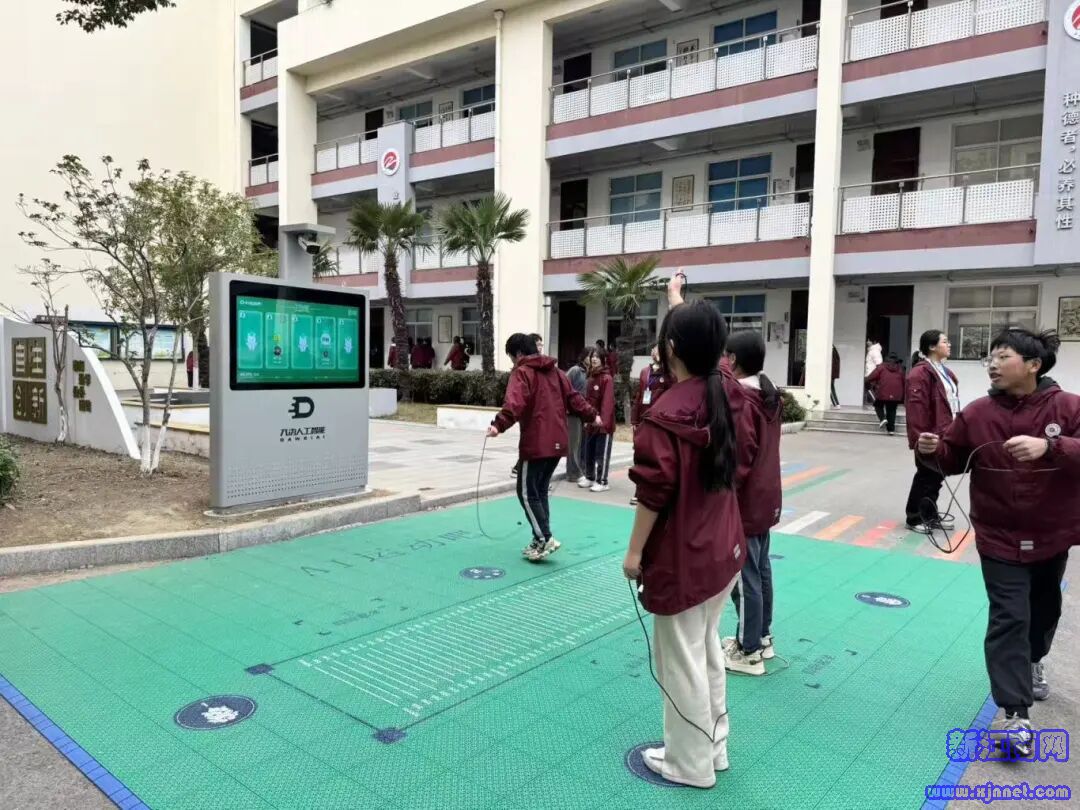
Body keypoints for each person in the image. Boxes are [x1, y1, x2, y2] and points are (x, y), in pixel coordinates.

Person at [917, 328, 1079, 756]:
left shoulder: (1068, 407)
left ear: (1033, 365)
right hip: (997, 535)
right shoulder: (977, 413)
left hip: (1051, 534)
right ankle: (1015, 714)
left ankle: (1034, 659)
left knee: (1043, 609)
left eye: (1003, 356)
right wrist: (931, 449)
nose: (992, 363)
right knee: (1009, 617)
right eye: (990, 357)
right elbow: (951, 459)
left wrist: (1051, 446)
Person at [623, 299, 744, 789]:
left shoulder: (666, 415)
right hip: (724, 549)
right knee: (706, 648)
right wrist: (681, 307)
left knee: (682, 662)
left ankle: (688, 764)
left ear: (670, 347)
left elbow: (652, 493)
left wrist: (634, 554)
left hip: (685, 557)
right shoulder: (729, 393)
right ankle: (713, 749)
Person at [487, 333, 600, 561]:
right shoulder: (556, 372)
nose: (513, 362)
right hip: (558, 442)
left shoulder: (522, 372)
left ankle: (545, 537)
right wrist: (592, 415)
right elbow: (574, 398)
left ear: (519, 353)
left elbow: (515, 403)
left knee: (526, 492)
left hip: (536, 443)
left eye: (512, 357)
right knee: (539, 491)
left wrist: (498, 425)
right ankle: (539, 538)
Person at [720, 330, 782, 677]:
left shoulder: (743, 400)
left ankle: (748, 650)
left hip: (746, 501)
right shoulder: (768, 394)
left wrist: (722, 493)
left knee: (745, 578)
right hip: (766, 497)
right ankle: (761, 636)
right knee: (761, 570)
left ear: (733, 360)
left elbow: (739, 457)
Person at [905, 330, 959, 533]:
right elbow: (916, 409)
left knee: (936, 477)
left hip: (946, 431)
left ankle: (929, 514)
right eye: (945, 341)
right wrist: (921, 437)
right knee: (926, 476)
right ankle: (914, 517)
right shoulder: (920, 373)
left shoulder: (944, 371)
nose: (949, 344)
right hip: (930, 435)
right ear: (932, 347)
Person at [629, 345, 670, 506]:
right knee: (640, 454)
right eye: (654, 350)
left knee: (654, 456)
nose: (655, 352)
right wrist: (634, 420)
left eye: (659, 350)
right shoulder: (645, 371)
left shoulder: (668, 373)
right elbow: (639, 396)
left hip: (658, 421)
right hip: (643, 419)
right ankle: (638, 490)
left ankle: (652, 491)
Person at [579, 346, 615, 493]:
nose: (594, 359)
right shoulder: (591, 376)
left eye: (597, 357)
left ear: (603, 360)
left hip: (602, 424)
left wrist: (603, 423)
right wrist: (587, 418)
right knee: (589, 451)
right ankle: (590, 477)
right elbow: (587, 401)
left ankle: (602, 481)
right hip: (591, 421)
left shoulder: (606, 378)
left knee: (601, 454)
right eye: (592, 356)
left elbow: (607, 403)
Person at [564, 350, 590, 483]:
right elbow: (564, 385)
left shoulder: (590, 372)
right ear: (583, 357)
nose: (592, 359)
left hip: (585, 413)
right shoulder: (575, 370)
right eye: (590, 356)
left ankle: (581, 469)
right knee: (573, 444)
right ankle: (573, 473)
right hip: (573, 413)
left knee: (581, 444)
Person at [867, 353, 906, 435]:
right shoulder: (900, 368)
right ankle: (891, 430)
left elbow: (871, 376)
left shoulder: (882, 366)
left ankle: (882, 418)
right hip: (896, 393)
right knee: (892, 410)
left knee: (877, 405)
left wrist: (867, 381)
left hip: (883, 391)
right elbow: (904, 381)